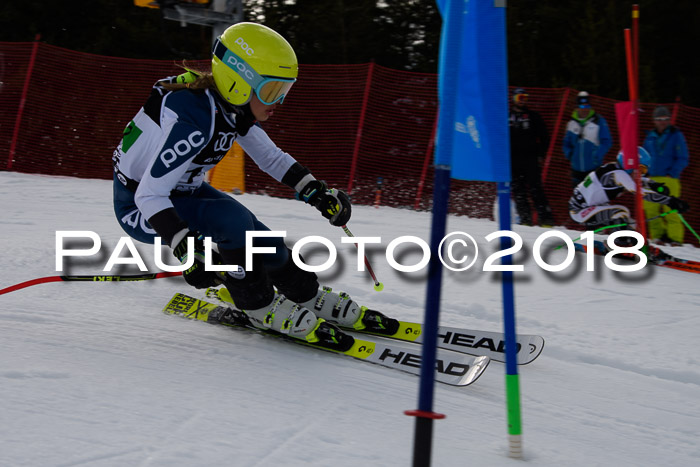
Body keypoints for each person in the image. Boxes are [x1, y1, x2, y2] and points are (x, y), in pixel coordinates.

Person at [111, 22, 398, 350]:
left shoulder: (227, 108)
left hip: (183, 192)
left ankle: (306, 295)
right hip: (141, 207)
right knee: (233, 225)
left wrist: (317, 192)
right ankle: (257, 304)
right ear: (239, 83)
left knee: (259, 236)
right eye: (272, 90)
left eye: (284, 91)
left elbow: (272, 158)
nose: (278, 101)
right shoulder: (193, 121)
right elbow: (149, 194)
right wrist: (185, 247)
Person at [568, 147, 689, 248]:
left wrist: (654, 185)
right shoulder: (618, 174)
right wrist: (670, 201)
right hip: (580, 211)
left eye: (644, 170)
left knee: (629, 221)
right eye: (641, 168)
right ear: (630, 164)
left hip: (589, 207)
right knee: (620, 212)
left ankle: (630, 243)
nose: (641, 173)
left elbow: (638, 180)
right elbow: (640, 192)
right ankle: (619, 244)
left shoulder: (616, 170)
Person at [642, 106, 690, 246]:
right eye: (659, 119)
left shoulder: (676, 135)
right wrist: (644, 173)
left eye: (665, 119)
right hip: (651, 179)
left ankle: (675, 239)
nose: (662, 122)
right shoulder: (650, 136)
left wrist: (672, 173)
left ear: (669, 120)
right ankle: (658, 236)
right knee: (650, 209)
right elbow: (644, 156)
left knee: (671, 209)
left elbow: (683, 157)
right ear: (654, 121)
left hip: (669, 178)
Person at [508, 87, 555, 226]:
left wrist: (541, 154)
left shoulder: (533, 116)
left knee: (536, 189)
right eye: (519, 98)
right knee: (518, 190)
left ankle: (546, 219)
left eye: (524, 98)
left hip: (530, 159)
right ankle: (525, 219)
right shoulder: (507, 116)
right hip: (513, 160)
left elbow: (545, 137)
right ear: (513, 99)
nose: (522, 101)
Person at [562, 91, 613, 187]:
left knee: (594, 196)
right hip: (576, 170)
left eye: (587, 106)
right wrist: (570, 155)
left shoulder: (599, 121)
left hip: (593, 169)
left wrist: (597, 155)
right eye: (582, 106)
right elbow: (566, 143)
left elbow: (607, 141)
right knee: (579, 198)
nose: (585, 109)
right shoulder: (571, 123)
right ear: (577, 107)